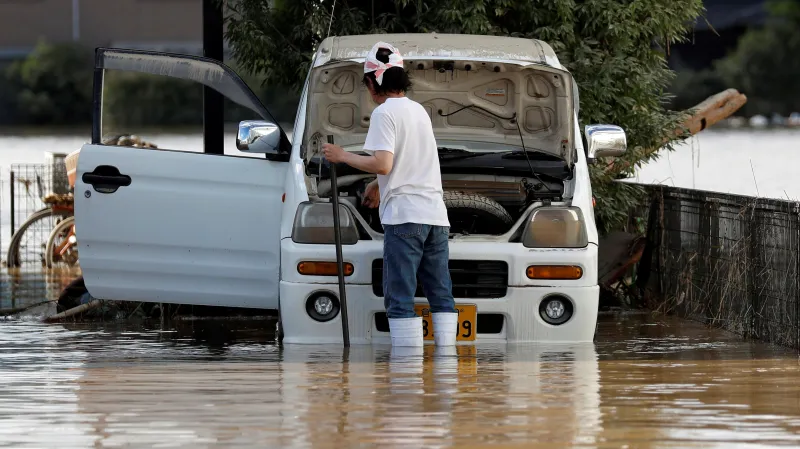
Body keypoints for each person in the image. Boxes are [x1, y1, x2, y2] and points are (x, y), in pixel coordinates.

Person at [322, 42, 457, 347]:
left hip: (406, 219)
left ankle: (405, 382)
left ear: (373, 82)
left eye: (366, 82)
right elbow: (408, 162)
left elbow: (384, 163)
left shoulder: (385, 113)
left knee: (400, 299)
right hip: (436, 217)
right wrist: (375, 185)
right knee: (441, 295)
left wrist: (342, 156)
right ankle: (447, 375)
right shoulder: (419, 111)